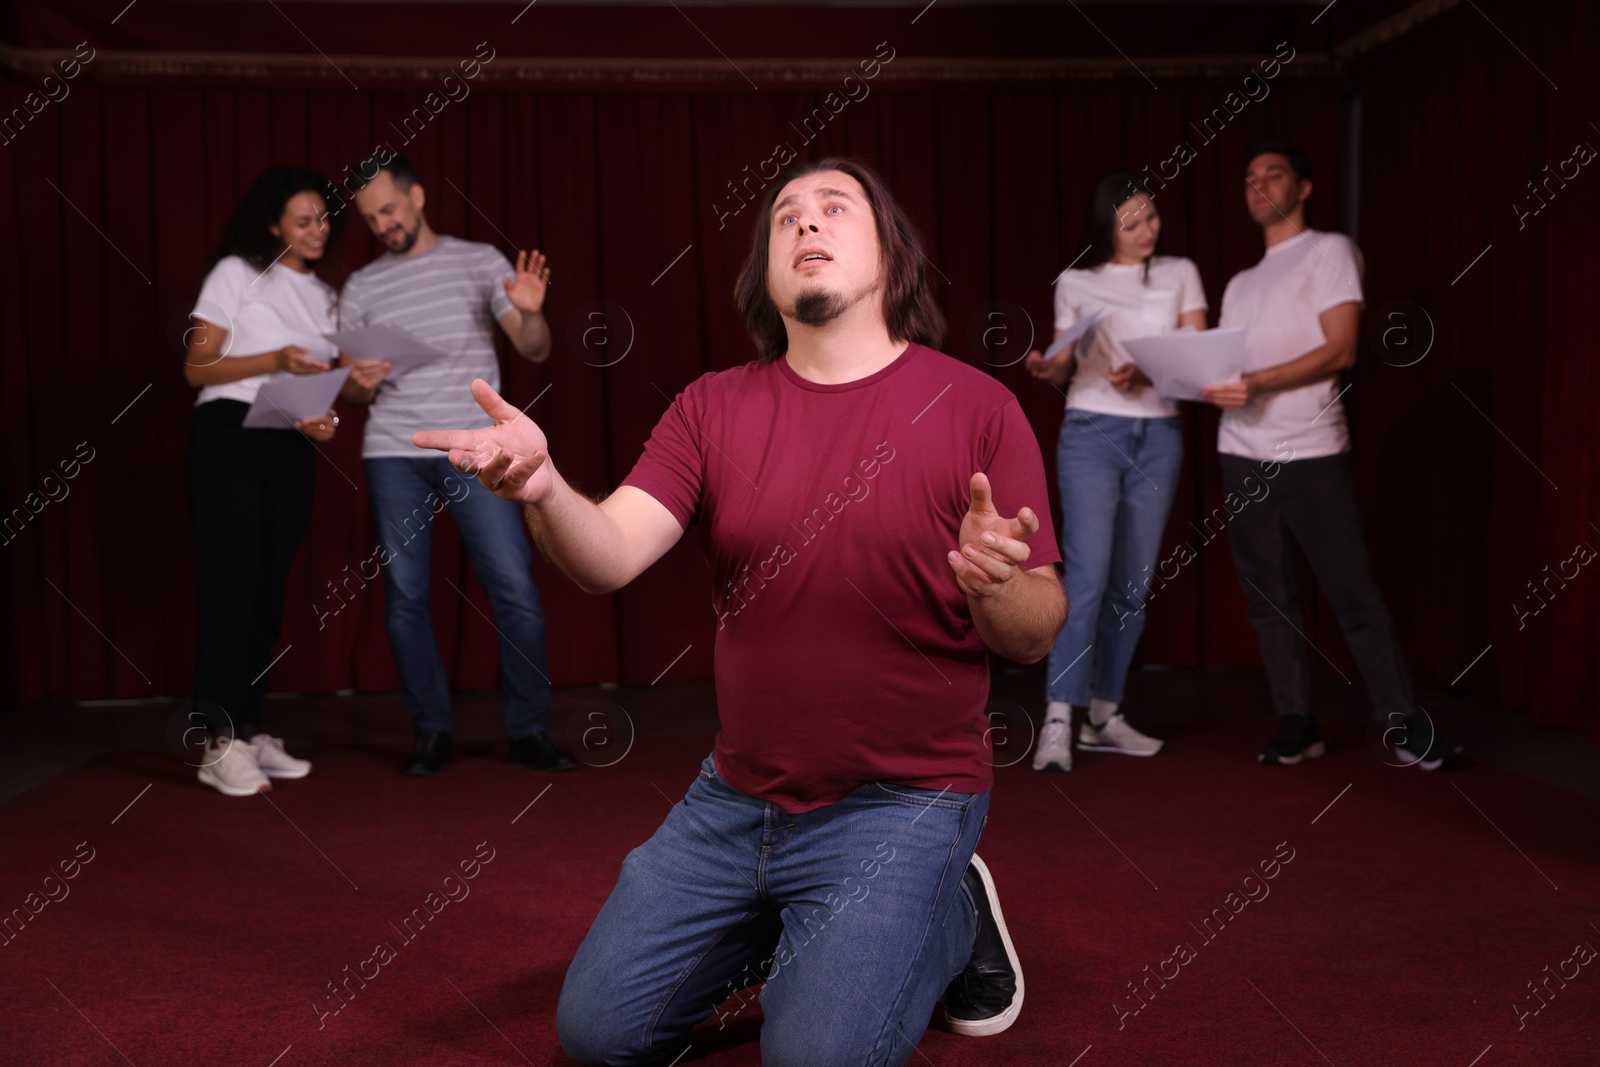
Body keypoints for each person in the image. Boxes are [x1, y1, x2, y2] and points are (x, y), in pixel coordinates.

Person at [415, 158, 1067, 1065]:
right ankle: (807, 916)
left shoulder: (977, 407)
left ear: (893, 256)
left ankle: (948, 906)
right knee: (598, 1034)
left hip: (901, 803)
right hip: (735, 802)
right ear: (765, 271)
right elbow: (605, 556)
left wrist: (998, 584)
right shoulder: (711, 408)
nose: (806, 224)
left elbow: (1037, 629)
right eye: (785, 217)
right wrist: (543, 484)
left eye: (835, 208)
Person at [1201, 144, 1459, 769]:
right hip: (1240, 450)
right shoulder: (1239, 283)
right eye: (1249, 176)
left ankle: (1402, 726)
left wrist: (1257, 382)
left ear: (1306, 187)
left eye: (1274, 174)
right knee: (1268, 599)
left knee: (1353, 592)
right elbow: (1232, 364)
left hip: (1311, 450)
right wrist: (1207, 379)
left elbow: (1341, 350)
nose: (1259, 184)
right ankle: (1297, 722)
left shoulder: (1331, 251)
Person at [338, 154, 574, 775]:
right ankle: (431, 732)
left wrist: (528, 310)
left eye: (388, 208)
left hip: (476, 450)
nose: (382, 224)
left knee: (515, 589)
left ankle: (527, 730)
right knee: (403, 600)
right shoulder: (362, 286)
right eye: (370, 218)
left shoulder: (478, 262)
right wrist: (359, 381)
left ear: (417, 197)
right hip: (393, 448)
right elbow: (353, 394)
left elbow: (535, 347)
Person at [1023, 173, 1208, 772]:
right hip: (1091, 433)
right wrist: (1047, 367)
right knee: (1088, 576)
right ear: (1106, 227)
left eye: (1151, 217)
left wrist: (1151, 374)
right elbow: (1063, 364)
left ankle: (1104, 714)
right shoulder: (1077, 281)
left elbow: (1200, 357)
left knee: (1133, 582)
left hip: (1158, 435)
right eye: (1131, 221)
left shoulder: (1181, 273)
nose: (1145, 230)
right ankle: (1059, 716)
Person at [182, 165, 348, 796]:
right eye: (303, 219)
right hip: (228, 436)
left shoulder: (327, 295)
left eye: (324, 218)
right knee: (229, 588)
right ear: (273, 223)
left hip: (289, 441)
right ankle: (214, 742)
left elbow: (319, 388)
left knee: (265, 594)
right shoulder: (236, 272)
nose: (317, 229)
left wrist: (322, 423)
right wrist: (275, 359)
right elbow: (198, 366)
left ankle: (248, 732)